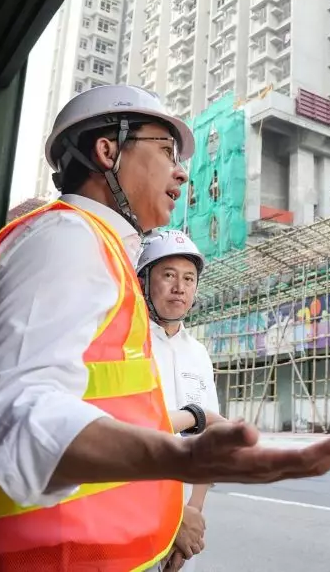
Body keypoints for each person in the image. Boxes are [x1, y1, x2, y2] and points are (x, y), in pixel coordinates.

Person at [0, 85, 330, 570]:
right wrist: (179, 457)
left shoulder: (106, 257)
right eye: (165, 151)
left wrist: (187, 462)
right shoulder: (66, 236)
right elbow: (16, 419)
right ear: (107, 151)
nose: (181, 171)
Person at [136, 230, 220, 571]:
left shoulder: (199, 353)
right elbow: (126, 435)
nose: (179, 288)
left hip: (183, 536)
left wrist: (192, 516)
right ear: (143, 281)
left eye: (189, 278)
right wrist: (173, 518)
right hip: (135, 525)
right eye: (168, 275)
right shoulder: (126, 342)